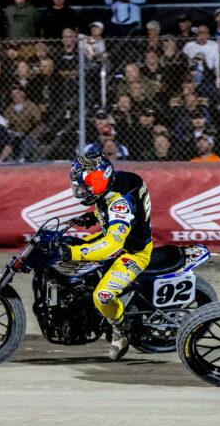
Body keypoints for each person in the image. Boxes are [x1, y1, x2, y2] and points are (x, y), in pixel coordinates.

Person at [60, 152, 152, 358]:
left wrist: (72, 252)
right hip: (120, 241)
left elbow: (112, 244)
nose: (82, 190)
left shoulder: (120, 203)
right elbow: (117, 212)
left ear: (101, 179)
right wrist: (94, 216)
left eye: (87, 185)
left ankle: (122, 328)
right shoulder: (117, 181)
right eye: (80, 185)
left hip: (133, 253)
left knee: (102, 296)